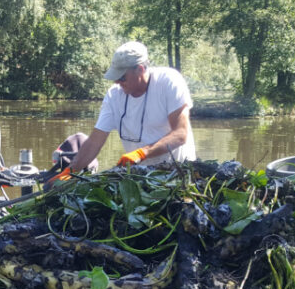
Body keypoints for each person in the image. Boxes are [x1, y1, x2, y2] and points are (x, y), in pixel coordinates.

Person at [50, 41, 195, 185]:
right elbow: (95, 141)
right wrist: (71, 171)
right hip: (142, 176)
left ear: (140, 69)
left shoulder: (168, 82)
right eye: (115, 77)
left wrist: (142, 153)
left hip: (177, 173)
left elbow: (180, 134)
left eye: (122, 77)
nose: (117, 82)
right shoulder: (114, 95)